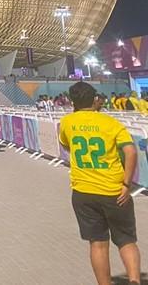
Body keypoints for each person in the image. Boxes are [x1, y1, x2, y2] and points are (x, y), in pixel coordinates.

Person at [59, 81, 140, 285]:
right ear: (95, 99)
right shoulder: (110, 123)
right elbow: (130, 151)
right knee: (126, 240)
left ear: (72, 101)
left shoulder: (67, 123)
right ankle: (134, 281)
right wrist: (126, 184)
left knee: (97, 243)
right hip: (114, 191)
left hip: (83, 192)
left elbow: (66, 145)